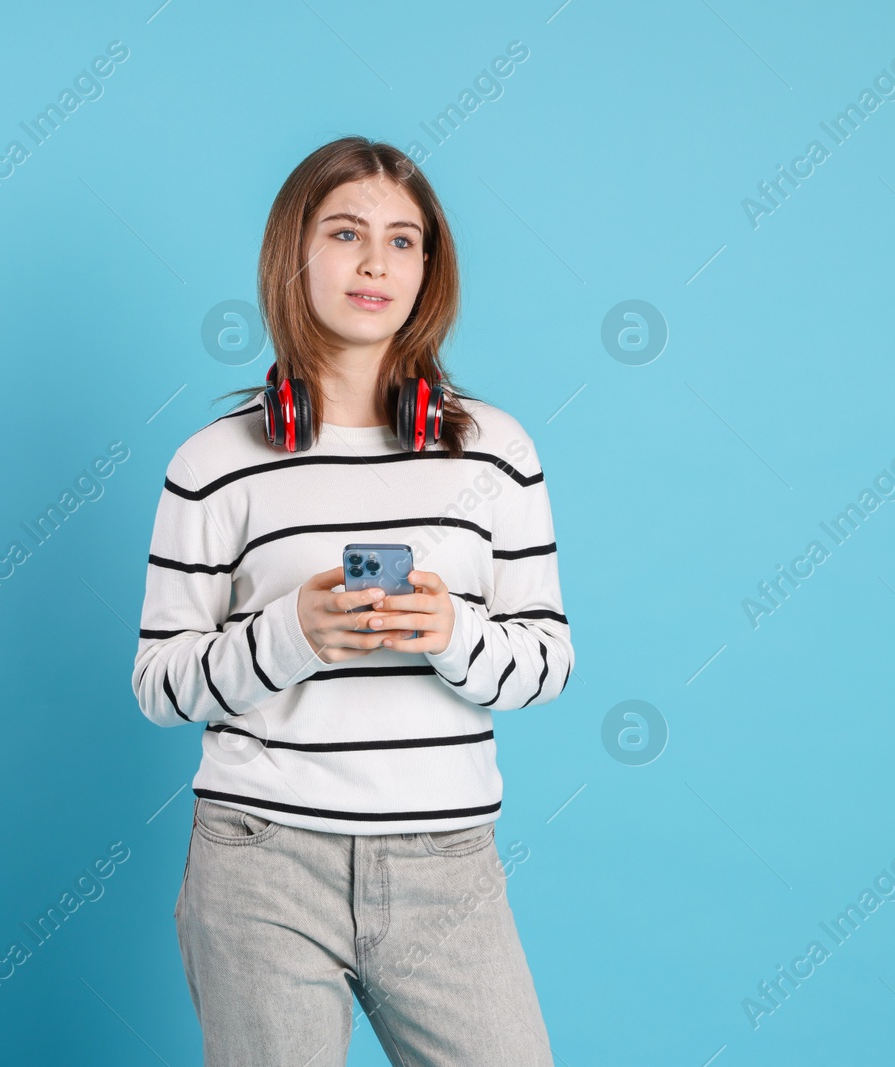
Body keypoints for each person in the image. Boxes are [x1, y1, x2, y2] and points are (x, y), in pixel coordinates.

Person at [132, 135, 572, 1066]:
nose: (376, 261)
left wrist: (454, 631)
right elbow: (159, 684)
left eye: (404, 240)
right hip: (260, 861)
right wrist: (293, 633)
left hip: (446, 865)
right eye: (345, 232)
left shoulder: (496, 450)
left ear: (428, 268)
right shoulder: (213, 464)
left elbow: (548, 663)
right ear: (294, 252)